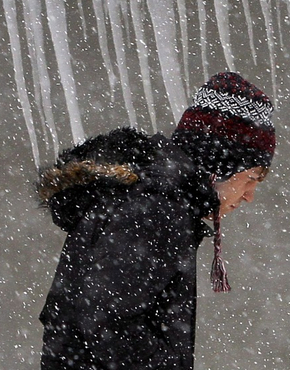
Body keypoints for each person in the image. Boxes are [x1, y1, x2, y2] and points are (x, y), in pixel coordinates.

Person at [36, 72, 276, 369]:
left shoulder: (152, 198)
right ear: (219, 165)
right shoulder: (159, 209)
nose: (250, 195)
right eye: (251, 177)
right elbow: (105, 317)